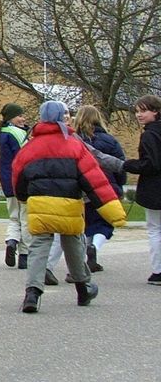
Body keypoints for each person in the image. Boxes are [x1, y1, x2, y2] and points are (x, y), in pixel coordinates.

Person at [11, 101, 126, 313]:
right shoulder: (74, 145)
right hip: (69, 204)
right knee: (73, 245)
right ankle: (83, 288)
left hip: (40, 204)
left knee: (39, 246)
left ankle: (32, 293)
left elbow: (18, 177)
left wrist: (23, 197)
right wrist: (113, 211)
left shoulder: (29, 147)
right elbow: (94, 180)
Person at [73, 105, 126, 274]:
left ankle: (88, 253)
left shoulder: (74, 140)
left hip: (83, 188)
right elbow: (119, 164)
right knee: (105, 223)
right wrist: (119, 185)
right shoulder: (109, 140)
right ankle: (95, 246)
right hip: (106, 186)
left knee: (87, 224)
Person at [0, 103, 31, 269]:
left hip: (7, 182)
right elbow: (27, 157)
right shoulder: (18, 133)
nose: (23, 118)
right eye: (20, 115)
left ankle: (12, 241)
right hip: (21, 181)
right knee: (25, 219)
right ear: (12, 117)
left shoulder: (0, 134)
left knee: (13, 217)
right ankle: (24, 254)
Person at [122, 94, 161, 285]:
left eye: (143, 111)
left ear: (155, 111)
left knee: (155, 229)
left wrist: (129, 165)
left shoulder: (149, 135)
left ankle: (158, 271)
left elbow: (150, 164)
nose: (139, 115)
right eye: (137, 111)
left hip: (155, 189)